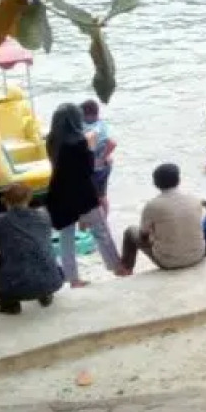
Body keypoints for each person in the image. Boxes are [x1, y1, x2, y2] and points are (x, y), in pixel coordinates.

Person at [45, 103, 124, 287]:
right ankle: (116, 267)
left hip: (58, 193)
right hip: (83, 193)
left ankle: (73, 279)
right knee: (101, 230)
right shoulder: (80, 142)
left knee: (66, 238)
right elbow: (89, 169)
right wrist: (91, 147)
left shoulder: (51, 140)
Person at [0, 180, 65, 313]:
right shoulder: (44, 215)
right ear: (29, 197)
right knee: (38, 256)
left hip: (16, 284)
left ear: (4, 200)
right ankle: (45, 294)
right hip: (53, 280)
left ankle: (8, 303)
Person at [119, 163, 206, 273]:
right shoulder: (193, 199)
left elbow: (143, 236)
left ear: (155, 183)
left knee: (130, 231)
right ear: (178, 180)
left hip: (169, 262)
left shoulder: (153, 205)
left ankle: (126, 269)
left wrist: (153, 238)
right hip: (198, 255)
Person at [82, 99, 115, 211]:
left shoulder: (92, 129)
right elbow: (111, 143)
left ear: (89, 115)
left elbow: (112, 143)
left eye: (83, 115)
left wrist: (100, 159)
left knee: (89, 199)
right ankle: (104, 219)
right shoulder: (101, 123)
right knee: (102, 195)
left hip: (94, 169)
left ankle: (88, 226)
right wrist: (105, 157)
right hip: (105, 166)